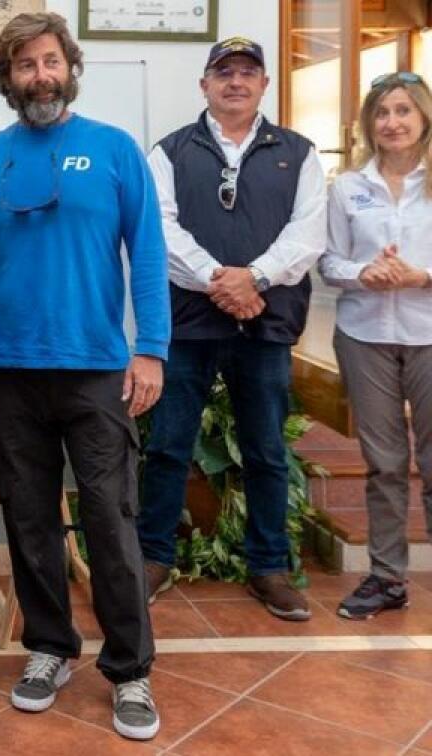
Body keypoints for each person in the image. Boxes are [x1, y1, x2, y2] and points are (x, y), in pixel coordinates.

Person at [0, 12, 168, 741]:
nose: (40, 76)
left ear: (69, 67)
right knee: (29, 521)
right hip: (7, 369)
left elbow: (147, 255)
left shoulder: (114, 150)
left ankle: (130, 669)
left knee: (111, 523)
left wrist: (152, 351)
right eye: (25, 67)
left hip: (95, 371)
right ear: (9, 79)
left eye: (50, 61)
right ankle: (49, 649)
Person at [138, 37, 327, 621]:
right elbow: (160, 232)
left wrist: (255, 281)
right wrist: (222, 279)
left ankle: (268, 566)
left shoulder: (299, 153)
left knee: (266, 450)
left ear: (264, 84)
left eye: (248, 72)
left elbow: (307, 236)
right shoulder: (169, 152)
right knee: (168, 446)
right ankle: (153, 556)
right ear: (205, 84)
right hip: (190, 325)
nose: (236, 82)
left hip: (264, 325)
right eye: (224, 73)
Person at [321, 72, 432, 620]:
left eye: (403, 111)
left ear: (423, 117)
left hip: (429, 332)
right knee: (385, 463)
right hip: (364, 336)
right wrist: (365, 273)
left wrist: (422, 277)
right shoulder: (347, 187)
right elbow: (328, 263)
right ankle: (388, 578)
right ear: (370, 123)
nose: (392, 122)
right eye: (383, 112)